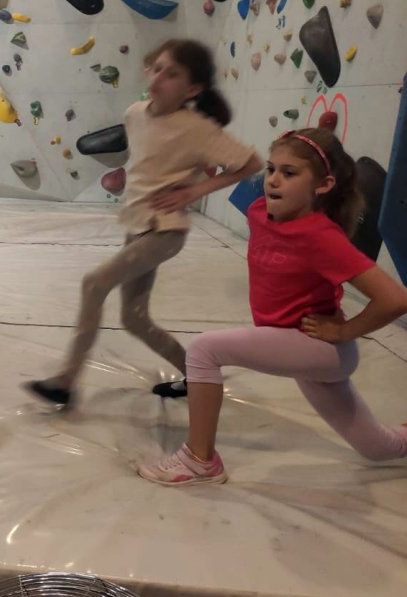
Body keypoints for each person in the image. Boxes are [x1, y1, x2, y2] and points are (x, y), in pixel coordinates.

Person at [139, 128, 407, 485]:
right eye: (271, 169)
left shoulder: (321, 236)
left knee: (204, 350)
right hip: (294, 346)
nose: (273, 180)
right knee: (378, 447)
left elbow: (395, 299)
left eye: (289, 173)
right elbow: (236, 167)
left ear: (323, 185)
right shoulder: (259, 211)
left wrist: (344, 331)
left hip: (318, 347)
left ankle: (200, 460)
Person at [26, 39, 262, 407]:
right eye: (158, 69)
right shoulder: (135, 113)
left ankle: (66, 382)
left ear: (192, 89)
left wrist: (194, 191)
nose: (159, 78)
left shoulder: (197, 128)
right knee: (134, 319)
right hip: (137, 226)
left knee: (94, 284)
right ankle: (199, 373)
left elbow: (251, 163)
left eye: (173, 74)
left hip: (164, 231)